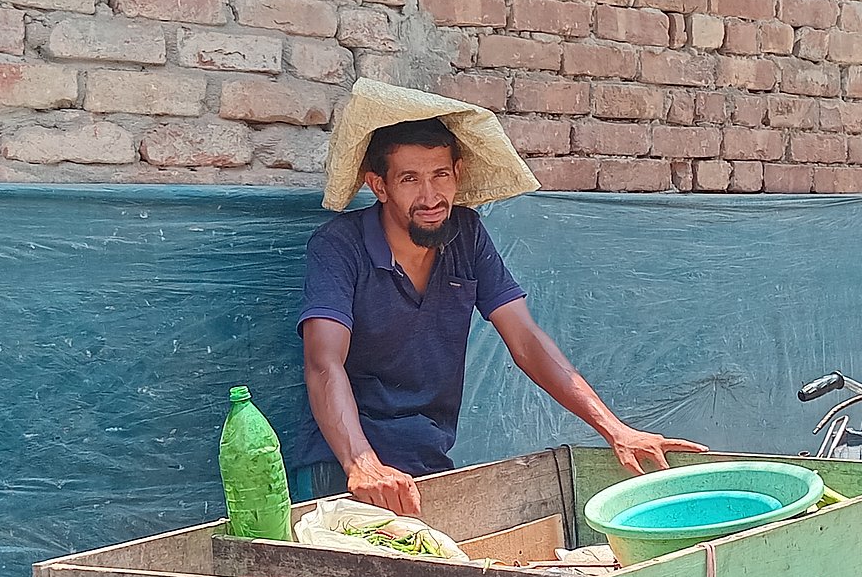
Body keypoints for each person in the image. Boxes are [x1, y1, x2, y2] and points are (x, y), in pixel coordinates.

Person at [296, 81, 706, 514]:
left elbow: (526, 340)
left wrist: (616, 430)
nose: (431, 197)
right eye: (410, 179)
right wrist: (361, 464)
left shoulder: (466, 234)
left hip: (427, 456)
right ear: (379, 186)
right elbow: (324, 363)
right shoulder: (339, 244)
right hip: (340, 465)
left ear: (457, 173)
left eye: (440, 176)